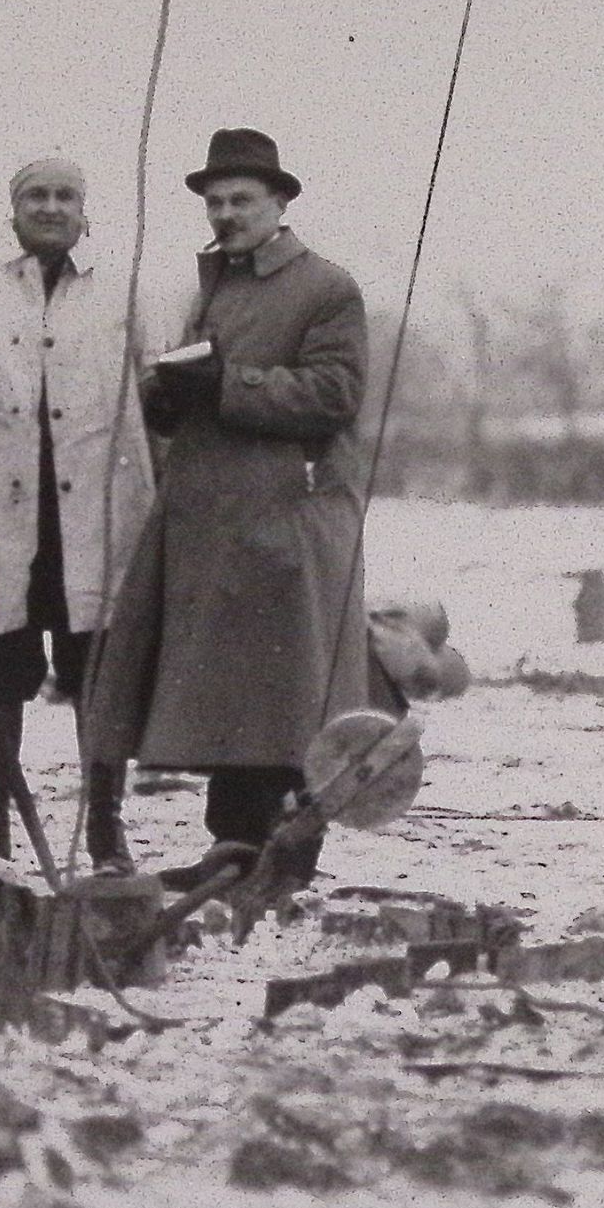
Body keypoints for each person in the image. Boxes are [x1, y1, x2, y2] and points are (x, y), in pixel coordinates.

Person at [85, 128, 373, 890]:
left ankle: (283, 860)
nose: (225, 214)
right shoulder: (213, 285)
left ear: (279, 203)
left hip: (287, 520)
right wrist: (165, 394)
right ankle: (234, 851)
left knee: (288, 698)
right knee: (234, 697)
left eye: (241, 200)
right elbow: (200, 393)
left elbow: (335, 394)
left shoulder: (325, 287)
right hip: (216, 524)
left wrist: (225, 384)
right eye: (214, 202)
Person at [0, 156, 158, 868]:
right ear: (14, 211)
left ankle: (105, 828)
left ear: (85, 213)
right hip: (2, 519)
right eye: (36, 195)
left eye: (65, 196)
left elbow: (158, 397)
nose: (51, 207)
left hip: (99, 518)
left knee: (99, 675)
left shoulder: (123, 290)